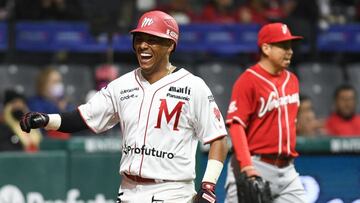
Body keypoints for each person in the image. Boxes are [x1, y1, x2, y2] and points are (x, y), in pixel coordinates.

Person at [19, 10, 228, 202]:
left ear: (170, 45)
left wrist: (208, 186)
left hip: (173, 192)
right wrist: (46, 120)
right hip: (128, 192)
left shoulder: (192, 86)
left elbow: (218, 138)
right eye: (139, 39)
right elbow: (83, 117)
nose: (143, 45)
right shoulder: (122, 85)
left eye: (152, 40)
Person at [225, 23, 306, 203]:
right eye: (283, 46)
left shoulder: (292, 79)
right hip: (255, 165)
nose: (290, 51)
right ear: (266, 48)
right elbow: (236, 126)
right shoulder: (248, 80)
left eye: (290, 46)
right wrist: (247, 166)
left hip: (288, 171)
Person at [27, 67, 74, 139]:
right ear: (44, 84)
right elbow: (41, 124)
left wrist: (65, 108)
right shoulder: (34, 103)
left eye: (59, 81)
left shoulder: (65, 103)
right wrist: (58, 109)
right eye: (54, 82)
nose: (58, 85)